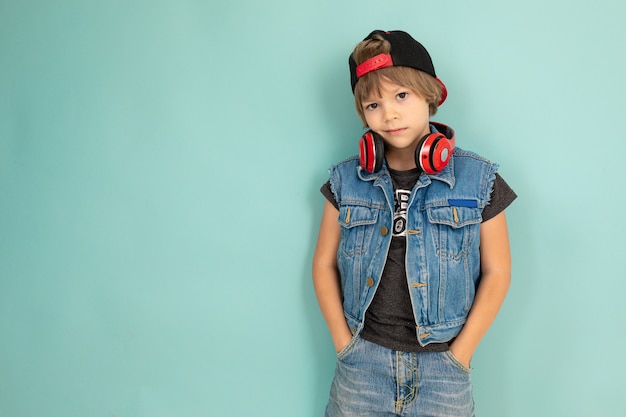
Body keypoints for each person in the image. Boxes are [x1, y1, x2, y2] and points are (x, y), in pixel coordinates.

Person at [312, 30, 517, 417]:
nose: (388, 113)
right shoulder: (345, 181)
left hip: (443, 370)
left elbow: (498, 271)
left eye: (401, 96)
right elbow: (323, 265)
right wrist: (345, 346)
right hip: (362, 366)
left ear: (430, 94)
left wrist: (460, 355)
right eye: (373, 104)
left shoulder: (480, 180)